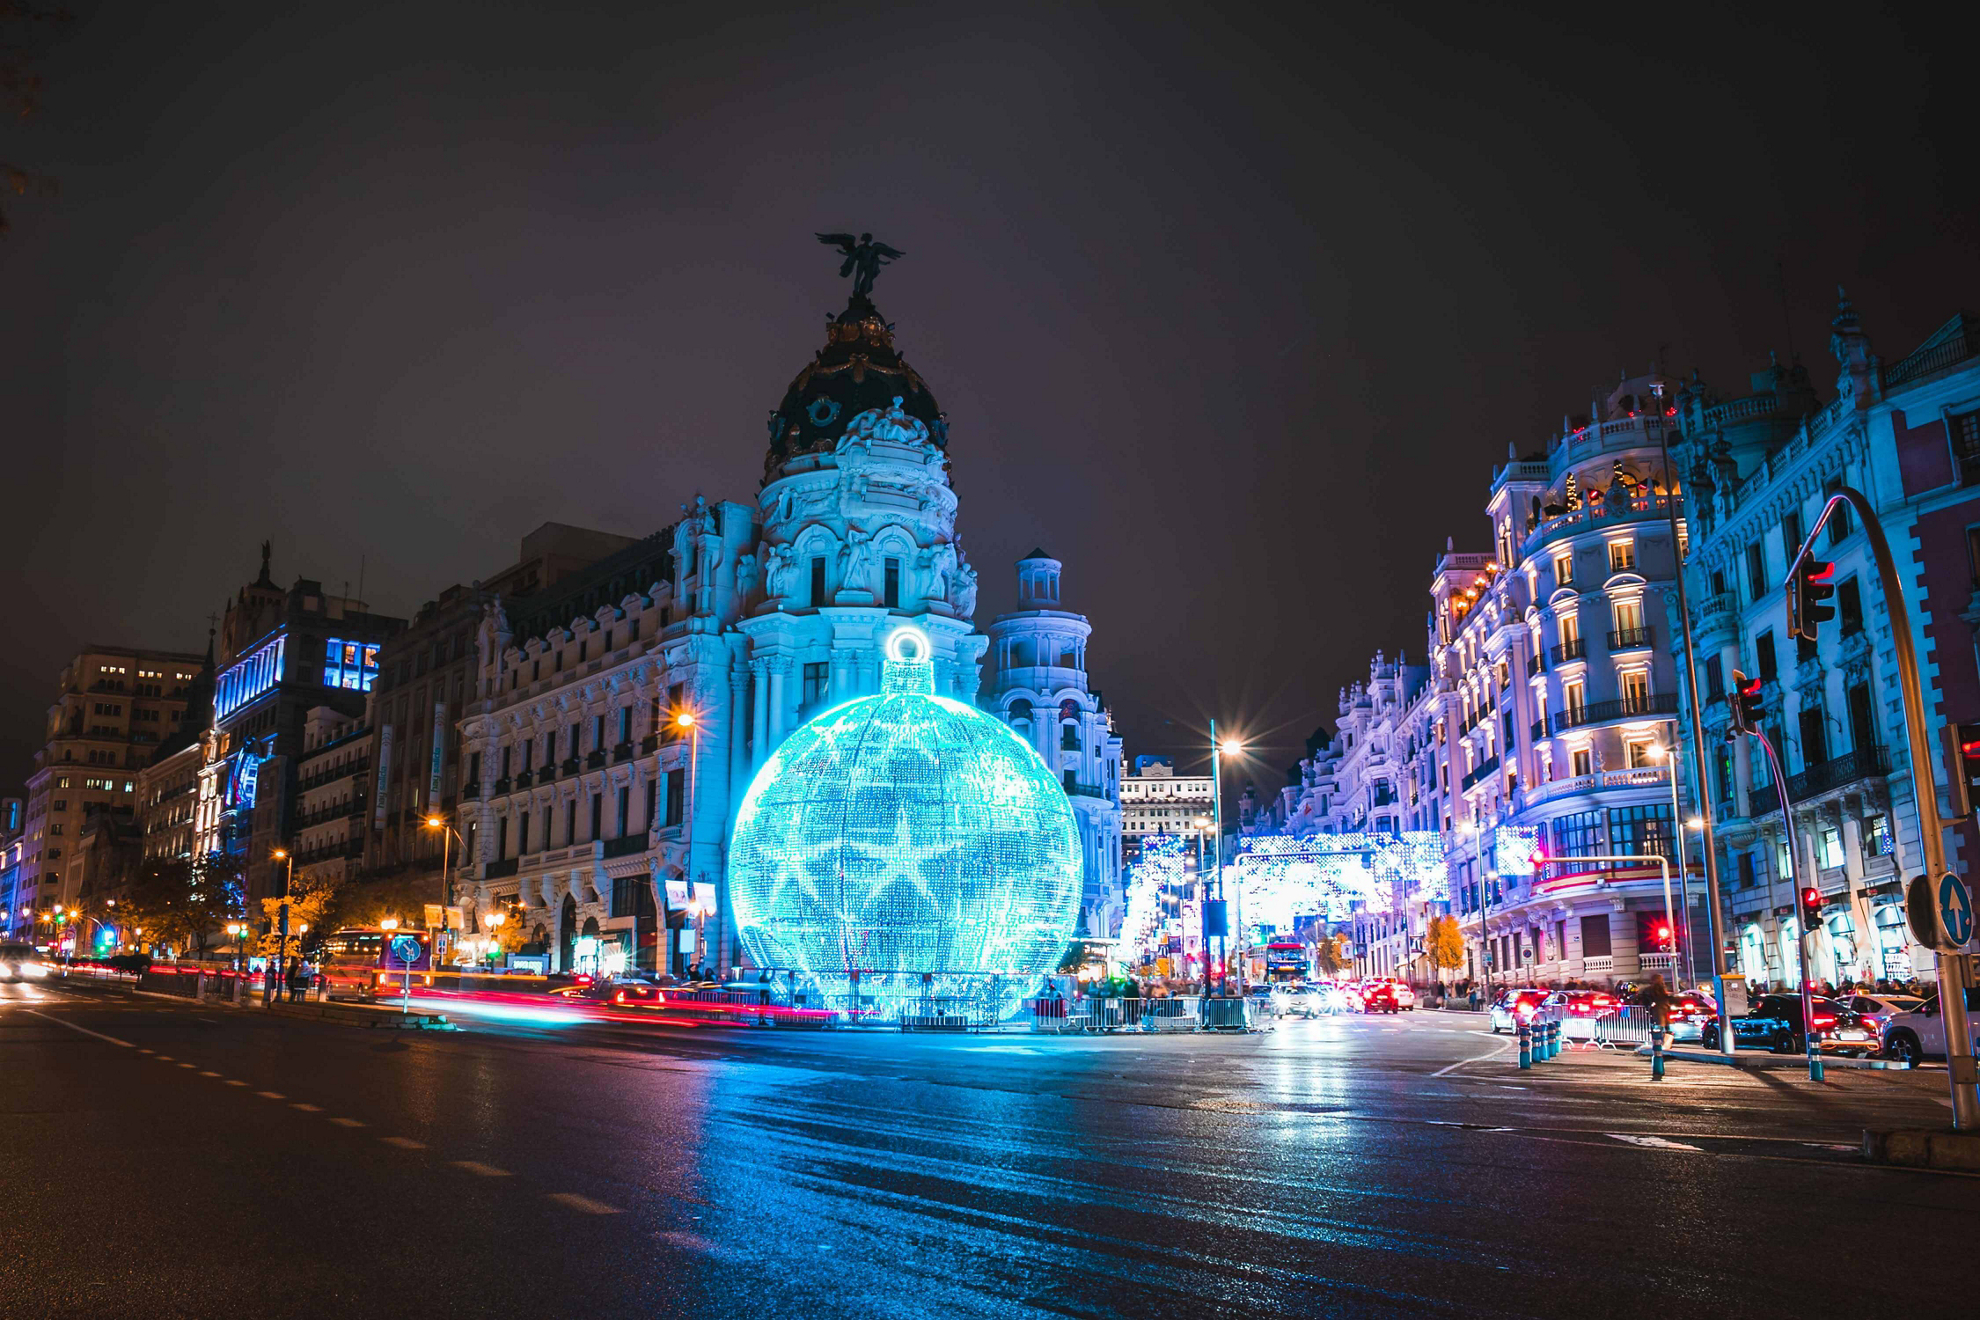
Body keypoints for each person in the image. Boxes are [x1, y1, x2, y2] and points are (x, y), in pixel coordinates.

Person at [1640, 972, 1673, 1048]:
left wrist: (1648, 1006)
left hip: (1657, 1011)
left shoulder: (1650, 990)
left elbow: (1645, 1000)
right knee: (1665, 1028)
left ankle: (1658, 1043)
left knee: (1657, 1027)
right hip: (1664, 1010)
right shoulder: (1663, 989)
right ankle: (1664, 1044)